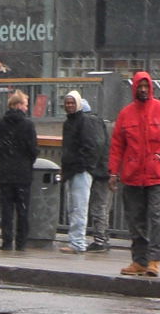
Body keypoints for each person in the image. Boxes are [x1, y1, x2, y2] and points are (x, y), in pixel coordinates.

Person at [109, 69, 160, 278]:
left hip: (155, 175)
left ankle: (154, 260)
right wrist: (113, 172)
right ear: (134, 88)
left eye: (145, 86)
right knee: (135, 219)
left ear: (150, 88)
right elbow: (117, 146)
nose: (142, 90)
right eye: (139, 86)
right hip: (132, 176)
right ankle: (139, 261)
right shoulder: (125, 114)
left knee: (156, 218)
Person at [58, 89, 105, 254]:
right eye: (67, 103)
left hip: (79, 170)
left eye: (72, 103)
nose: (69, 105)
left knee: (79, 207)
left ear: (77, 104)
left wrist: (84, 165)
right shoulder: (70, 123)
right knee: (74, 207)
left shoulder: (83, 122)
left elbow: (90, 146)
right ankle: (75, 240)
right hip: (72, 169)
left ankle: (78, 243)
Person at [0, 89, 37, 251]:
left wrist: (4, 158)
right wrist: (27, 161)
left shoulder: (0, 123)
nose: (26, 108)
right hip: (22, 172)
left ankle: (6, 241)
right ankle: (21, 242)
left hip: (5, 171)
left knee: (7, 209)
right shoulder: (28, 124)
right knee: (22, 209)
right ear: (18, 105)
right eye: (25, 104)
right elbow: (33, 149)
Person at [79, 97, 112, 252]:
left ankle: (100, 239)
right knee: (102, 205)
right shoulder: (99, 122)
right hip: (105, 169)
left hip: (98, 171)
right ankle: (103, 238)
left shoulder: (88, 123)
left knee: (98, 205)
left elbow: (95, 147)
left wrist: (89, 166)